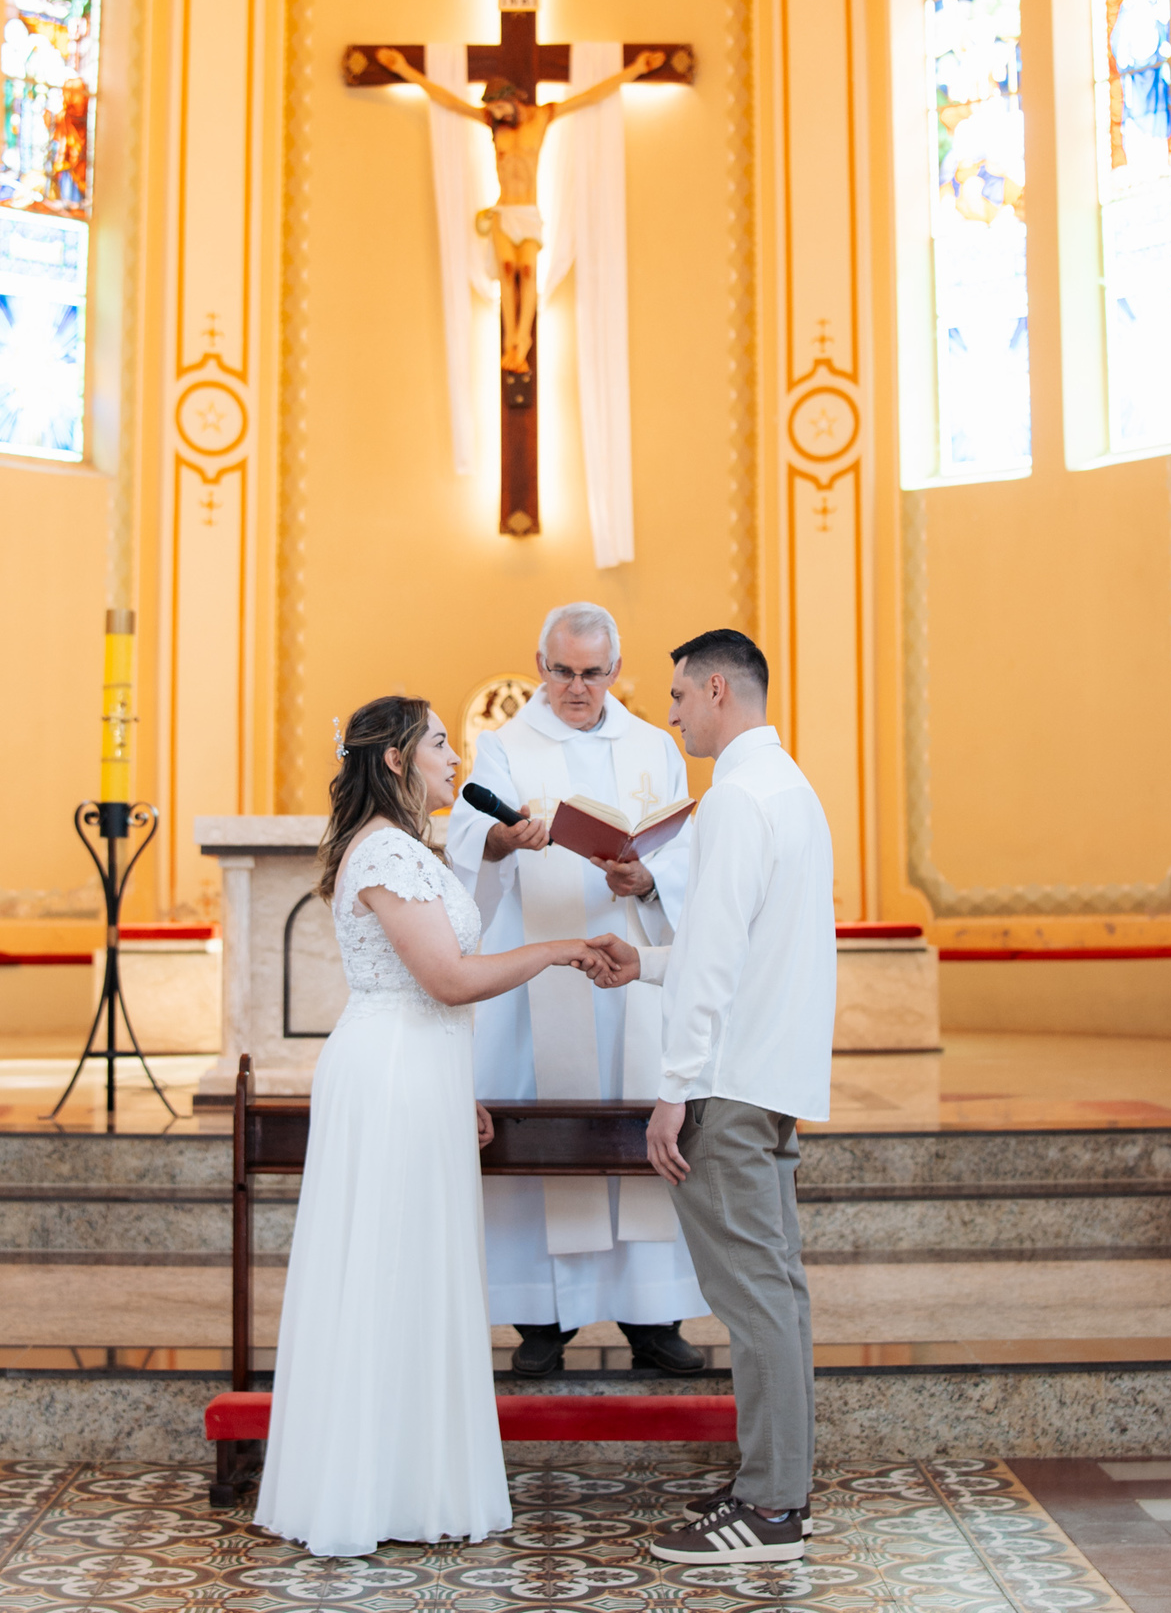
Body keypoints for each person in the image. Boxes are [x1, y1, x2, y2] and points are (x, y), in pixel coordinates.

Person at [254, 695, 599, 1557]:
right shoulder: (384, 850)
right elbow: (445, 980)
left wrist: (460, 1089)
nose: (456, 757)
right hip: (391, 1076)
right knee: (388, 1269)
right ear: (397, 759)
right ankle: (369, 1492)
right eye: (441, 743)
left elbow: (429, 993)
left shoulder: (406, 847)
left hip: (420, 1070)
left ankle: (410, 1482)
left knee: (415, 1269)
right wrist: (556, 949)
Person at [589, 630, 836, 1565]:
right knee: (779, 1293)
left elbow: (722, 955)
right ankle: (777, 1487)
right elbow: (741, 946)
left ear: (720, 688)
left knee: (755, 1301)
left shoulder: (735, 797)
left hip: (725, 1084)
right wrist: (647, 963)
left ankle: (770, 1508)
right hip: (769, 1078)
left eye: (680, 696)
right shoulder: (791, 788)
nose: (673, 714)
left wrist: (673, 1090)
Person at [446, 603, 708, 1377]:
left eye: (593, 673)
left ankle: (652, 1315)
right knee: (546, 1134)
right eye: (562, 671)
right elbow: (469, 837)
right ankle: (542, 1319)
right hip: (541, 978)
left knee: (639, 1129)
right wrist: (505, 838)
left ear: (615, 671)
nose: (577, 687)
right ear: (540, 665)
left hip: (633, 975)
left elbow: (686, 848)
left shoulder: (655, 746)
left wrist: (647, 876)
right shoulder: (504, 746)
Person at [376, 49, 663, 372]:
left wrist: (635, 69)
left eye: (500, 107)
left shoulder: (542, 117)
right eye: (493, 110)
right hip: (504, 210)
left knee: (527, 270)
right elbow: (449, 101)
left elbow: (590, 96)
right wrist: (404, 69)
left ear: (512, 99)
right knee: (506, 268)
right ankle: (509, 341)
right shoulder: (493, 124)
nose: (497, 114)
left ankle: (522, 340)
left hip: (527, 211)